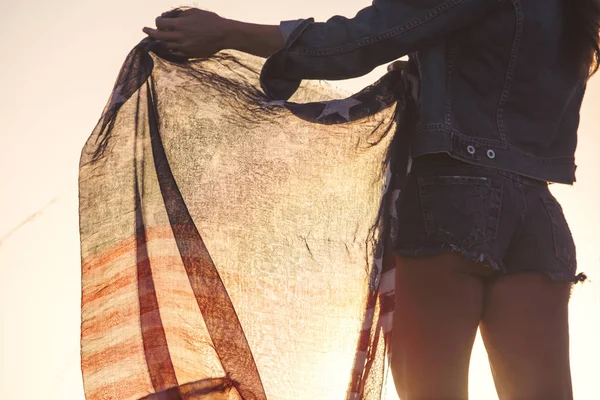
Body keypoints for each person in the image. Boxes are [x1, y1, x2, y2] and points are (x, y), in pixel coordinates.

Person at [143, 2, 599, 398]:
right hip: (540, 217)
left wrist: (227, 32)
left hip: (453, 200)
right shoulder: (576, 11)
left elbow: (360, 40)